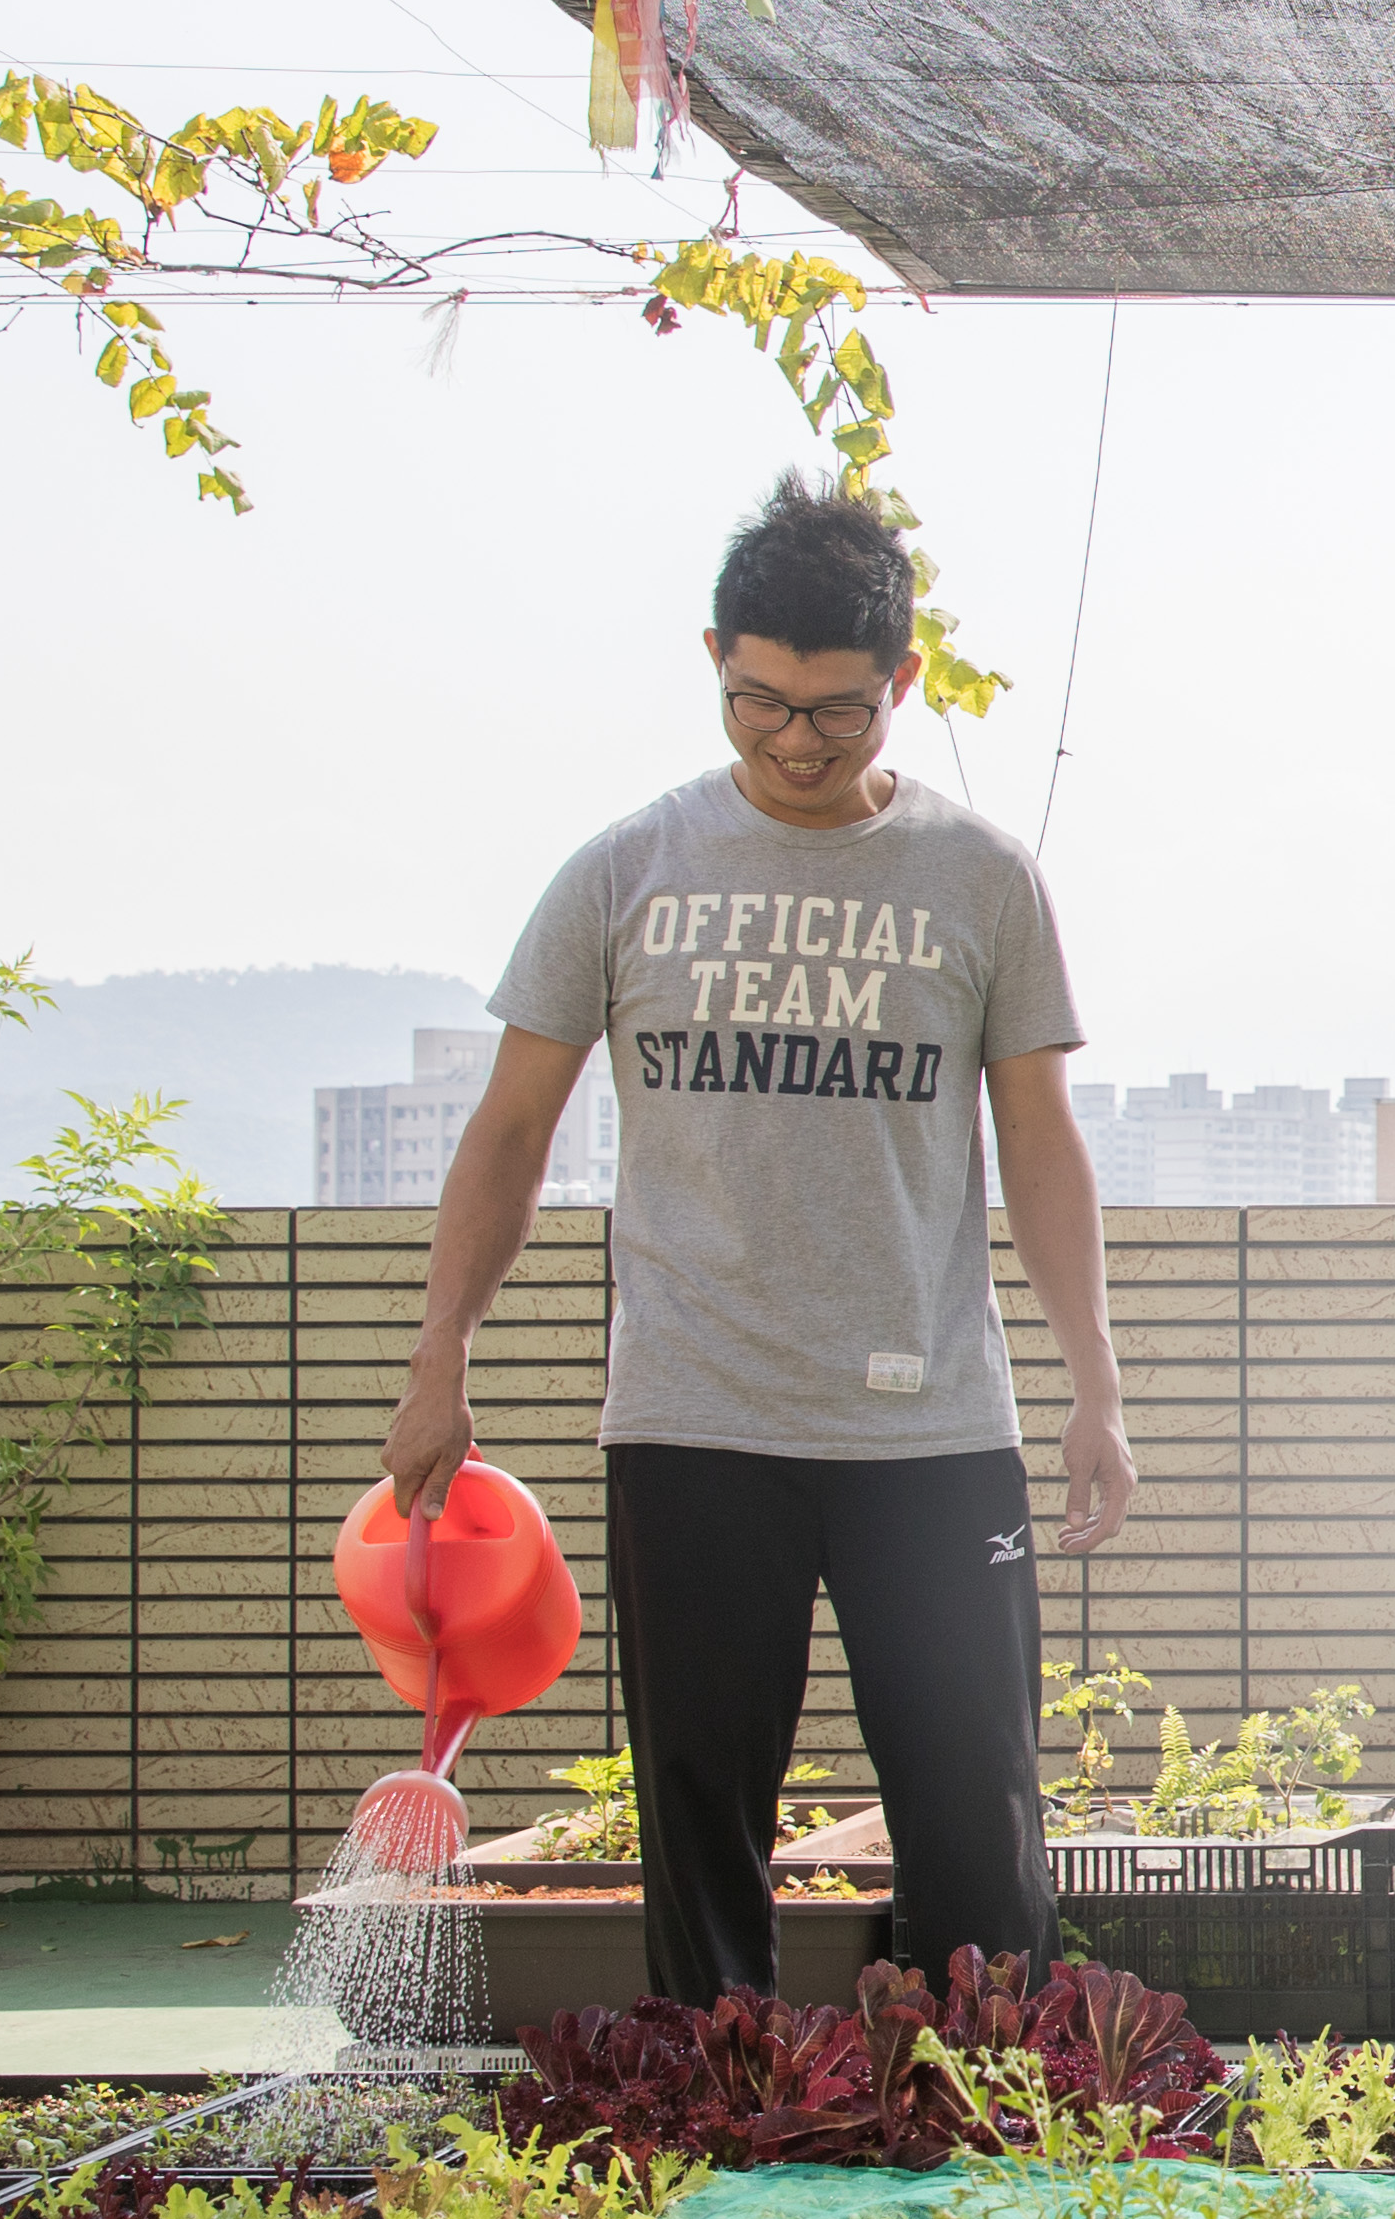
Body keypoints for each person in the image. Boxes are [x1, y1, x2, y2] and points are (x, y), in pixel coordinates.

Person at [383, 478, 1132, 1997]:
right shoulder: (623, 870)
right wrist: (438, 1349)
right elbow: (512, 1127)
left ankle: (992, 2105)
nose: (794, 739)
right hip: (693, 1412)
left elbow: (1041, 1144)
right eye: (759, 701)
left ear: (900, 683)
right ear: (715, 656)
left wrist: (1093, 1382)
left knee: (976, 1815)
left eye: (837, 711)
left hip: (929, 1421)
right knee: (700, 1807)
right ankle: (716, 2108)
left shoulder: (978, 878)